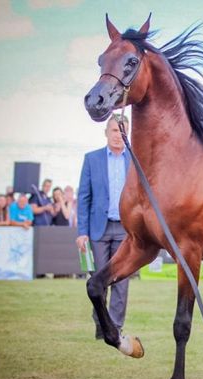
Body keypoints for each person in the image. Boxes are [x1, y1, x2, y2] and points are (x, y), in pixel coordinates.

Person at [76, 113, 132, 339]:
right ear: (106, 133)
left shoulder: (136, 160)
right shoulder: (92, 159)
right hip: (98, 229)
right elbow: (83, 197)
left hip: (127, 231)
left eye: (122, 131)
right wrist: (82, 232)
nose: (118, 135)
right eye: (115, 130)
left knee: (121, 280)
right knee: (100, 279)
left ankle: (115, 327)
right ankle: (101, 324)